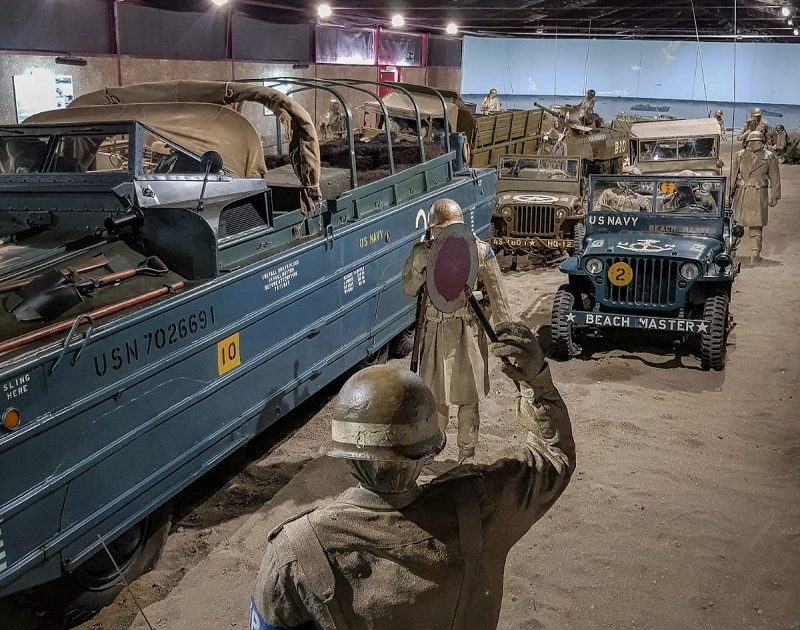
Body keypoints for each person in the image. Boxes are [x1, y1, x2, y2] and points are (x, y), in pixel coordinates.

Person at [250, 322, 575, 630]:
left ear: (347, 455)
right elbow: (553, 455)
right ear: (426, 452)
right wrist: (536, 382)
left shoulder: (295, 551)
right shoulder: (483, 507)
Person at [402, 199, 510, 463]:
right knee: (434, 397)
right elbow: (409, 288)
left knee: (468, 397)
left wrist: (506, 334)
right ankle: (432, 450)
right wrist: (421, 261)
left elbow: (499, 297)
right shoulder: (423, 252)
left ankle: (466, 453)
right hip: (435, 331)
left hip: (468, 332)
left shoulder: (480, 252)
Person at [730, 130, 781, 264]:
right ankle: (732, 250)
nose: (754, 144)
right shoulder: (739, 155)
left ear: (762, 142)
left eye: (757, 142)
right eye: (752, 142)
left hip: (758, 193)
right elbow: (733, 176)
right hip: (742, 192)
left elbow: (775, 177)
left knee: (756, 226)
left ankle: (755, 253)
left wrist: (774, 195)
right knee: (737, 224)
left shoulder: (769, 156)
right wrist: (728, 193)